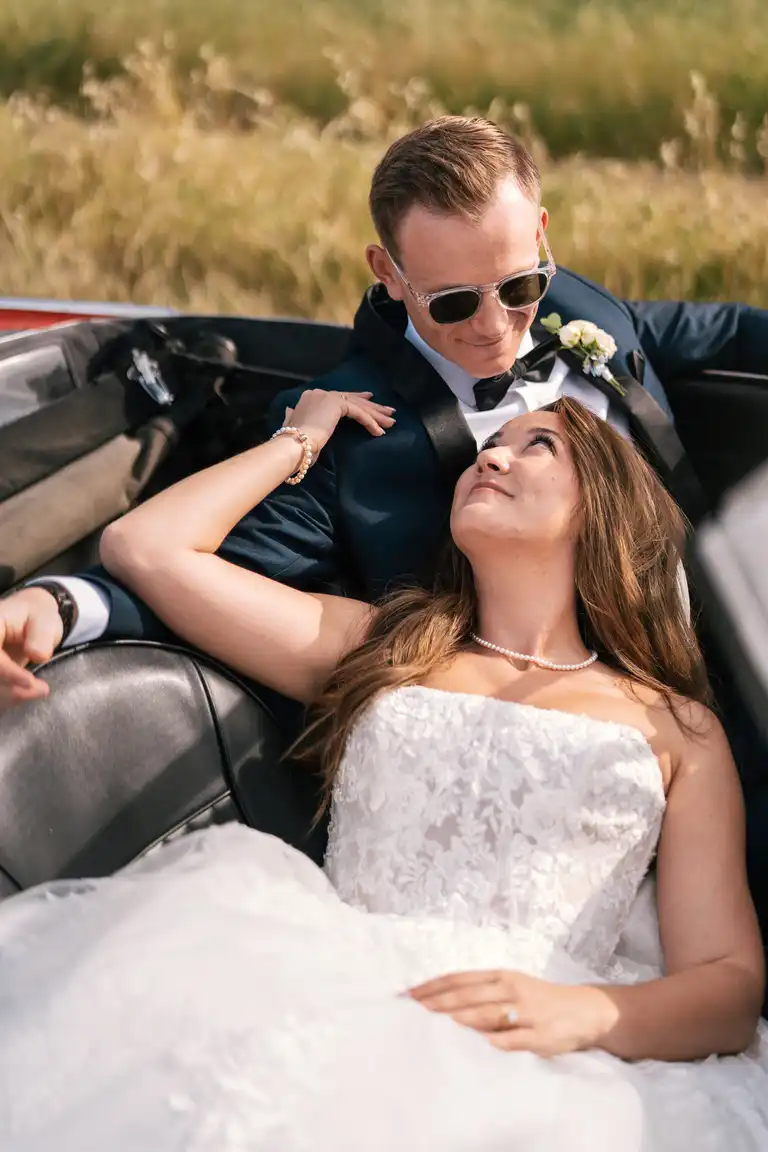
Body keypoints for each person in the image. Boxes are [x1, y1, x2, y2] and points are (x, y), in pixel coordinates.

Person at [0, 392, 766, 1150]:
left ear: (606, 503)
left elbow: (728, 979)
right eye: (490, 444)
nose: (493, 458)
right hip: (341, 993)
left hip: (563, 1050)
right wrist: (299, 440)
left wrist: (586, 1013)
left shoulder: (677, 727)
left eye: (538, 445)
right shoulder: (379, 645)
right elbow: (146, 546)